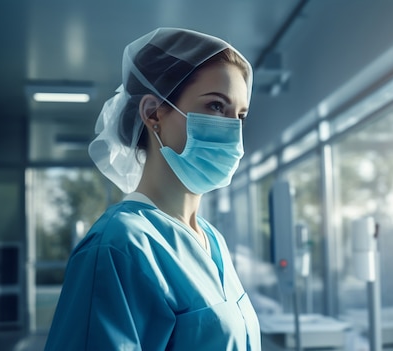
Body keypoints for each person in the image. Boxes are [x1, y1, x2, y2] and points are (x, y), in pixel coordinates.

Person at [44, 28, 261, 350]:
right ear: (153, 113)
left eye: (239, 115)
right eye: (216, 106)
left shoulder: (211, 239)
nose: (232, 129)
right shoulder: (118, 246)